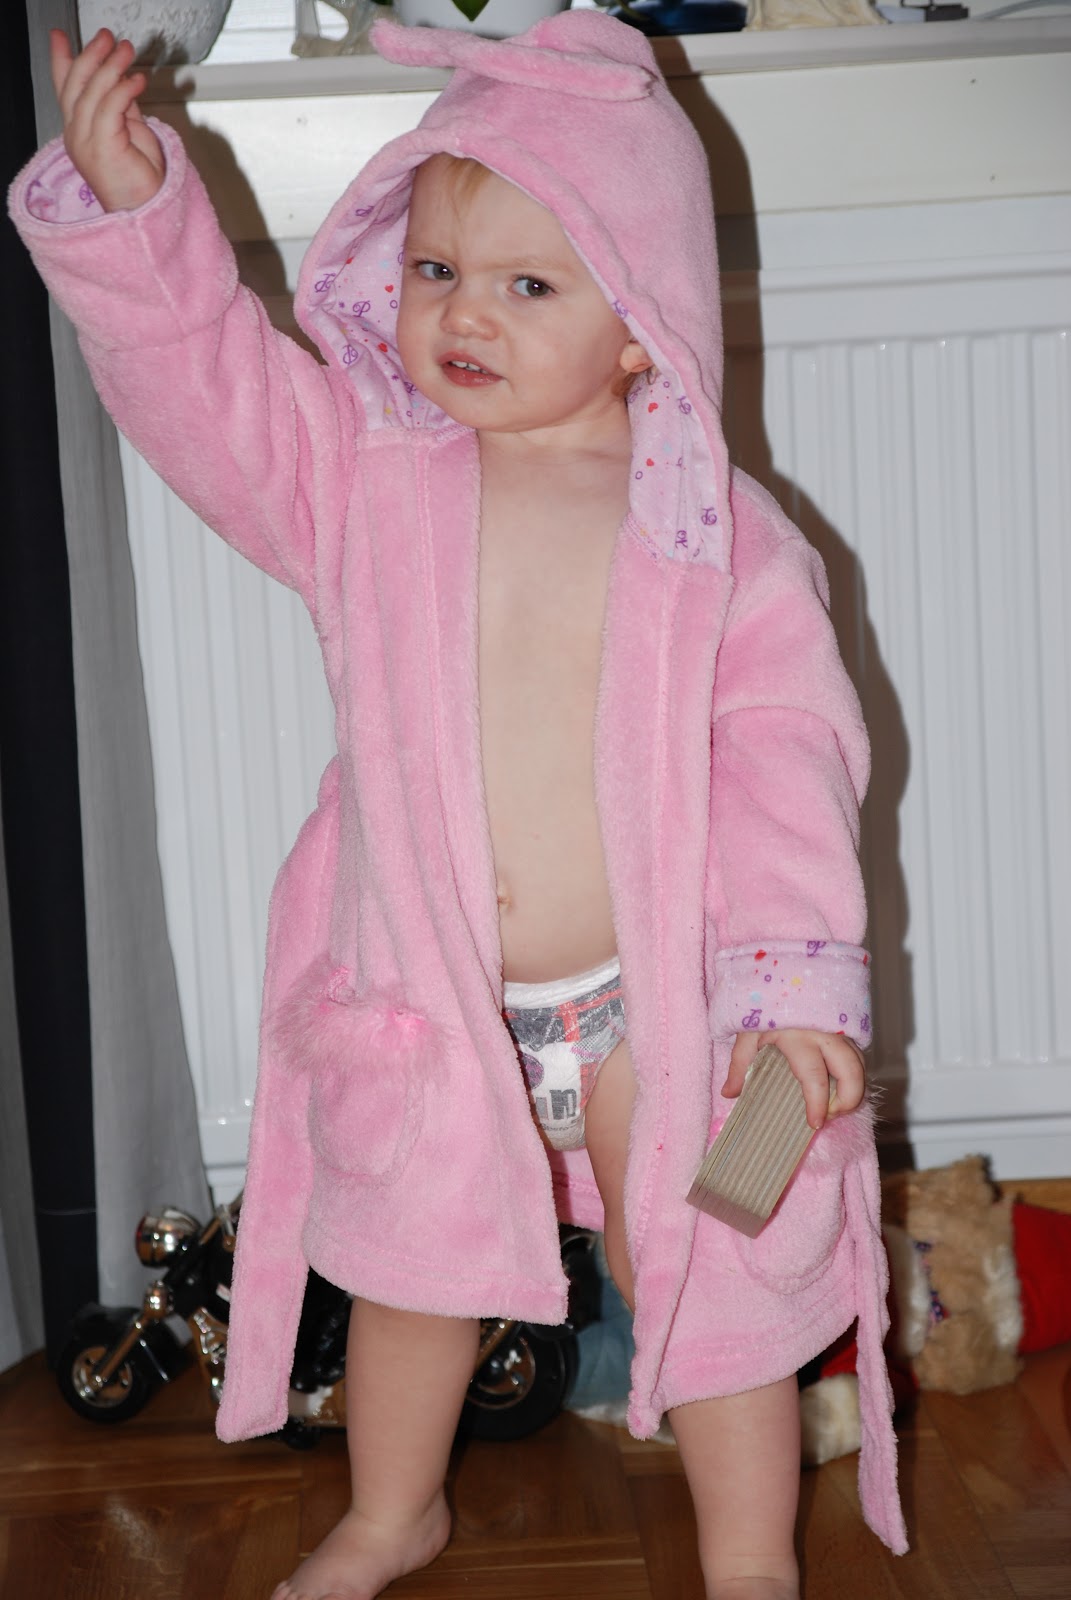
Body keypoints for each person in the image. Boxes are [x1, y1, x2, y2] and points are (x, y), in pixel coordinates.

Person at [10, 12, 907, 1596]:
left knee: (710, 1261)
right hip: (432, 994)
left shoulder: (710, 530)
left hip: (654, 1004)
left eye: (528, 286)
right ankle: (390, 1513)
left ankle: (750, 1556)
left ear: (640, 320)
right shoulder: (370, 476)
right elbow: (211, 391)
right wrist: (139, 215)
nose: (465, 313)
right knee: (410, 1275)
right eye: (435, 270)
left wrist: (790, 986)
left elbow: (786, 750)